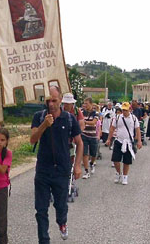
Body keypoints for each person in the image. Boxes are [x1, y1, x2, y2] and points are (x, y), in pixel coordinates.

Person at [30, 86, 83, 243]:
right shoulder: (39, 117)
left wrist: (78, 165)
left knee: (60, 206)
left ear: (60, 100)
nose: (51, 104)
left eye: (54, 100)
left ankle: (62, 222)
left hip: (62, 170)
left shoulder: (68, 118)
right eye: (48, 100)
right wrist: (44, 125)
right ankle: (44, 240)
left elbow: (79, 143)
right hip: (43, 170)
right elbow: (33, 139)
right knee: (40, 210)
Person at [106, 102, 142, 185]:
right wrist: (109, 139)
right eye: (123, 110)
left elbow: (137, 130)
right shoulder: (118, 117)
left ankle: (125, 176)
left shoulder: (133, 118)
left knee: (126, 161)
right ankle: (118, 173)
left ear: (129, 109)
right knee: (115, 160)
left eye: (126, 110)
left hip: (128, 142)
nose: (124, 112)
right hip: (119, 140)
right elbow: (112, 128)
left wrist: (139, 141)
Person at [81, 97, 99, 178]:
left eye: (87, 104)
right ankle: (86, 171)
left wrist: (84, 121)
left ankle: (92, 163)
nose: (85, 105)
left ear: (91, 104)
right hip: (84, 134)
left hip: (92, 135)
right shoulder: (82, 112)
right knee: (85, 153)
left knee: (93, 153)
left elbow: (94, 122)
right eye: (84, 103)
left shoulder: (95, 113)